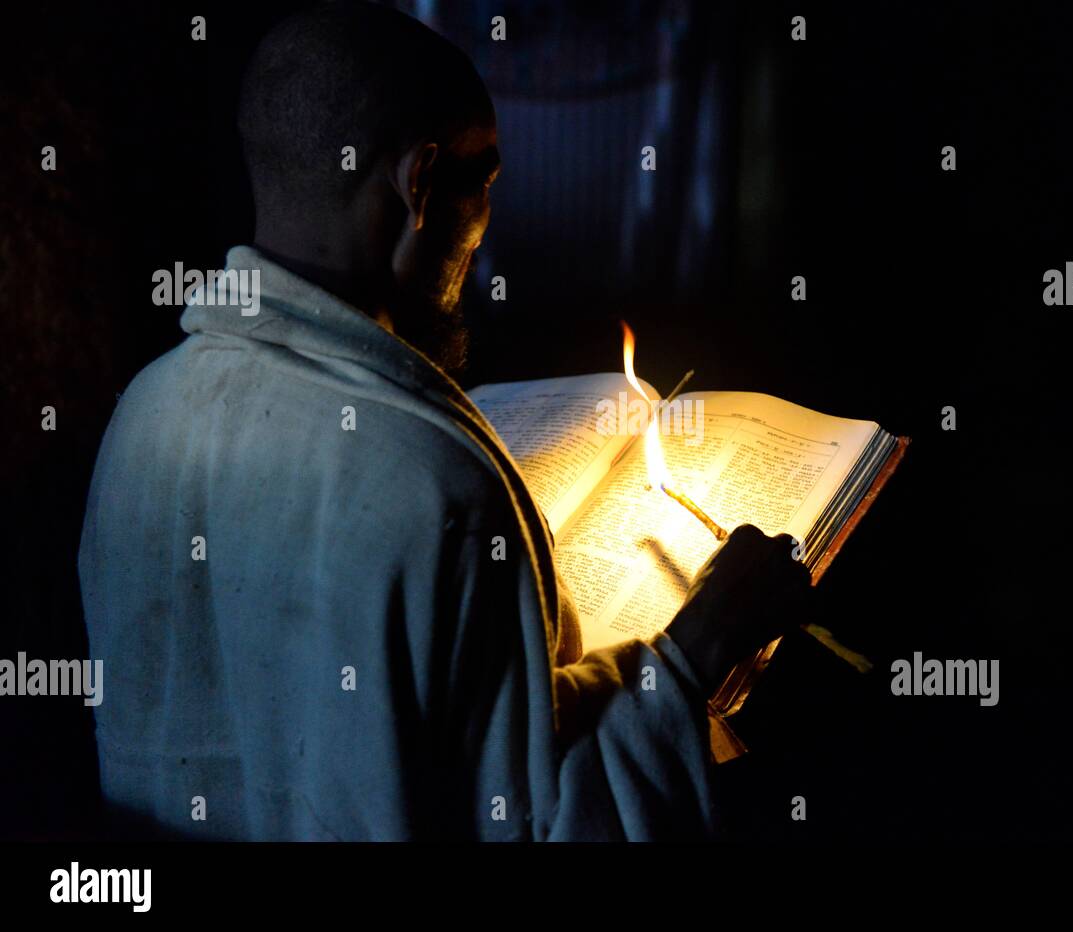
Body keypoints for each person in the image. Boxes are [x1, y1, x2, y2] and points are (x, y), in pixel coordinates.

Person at [77, 0, 809, 841]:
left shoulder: (142, 415)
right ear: (418, 184)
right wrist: (692, 657)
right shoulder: (436, 488)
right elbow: (539, 822)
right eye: (485, 180)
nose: (484, 236)